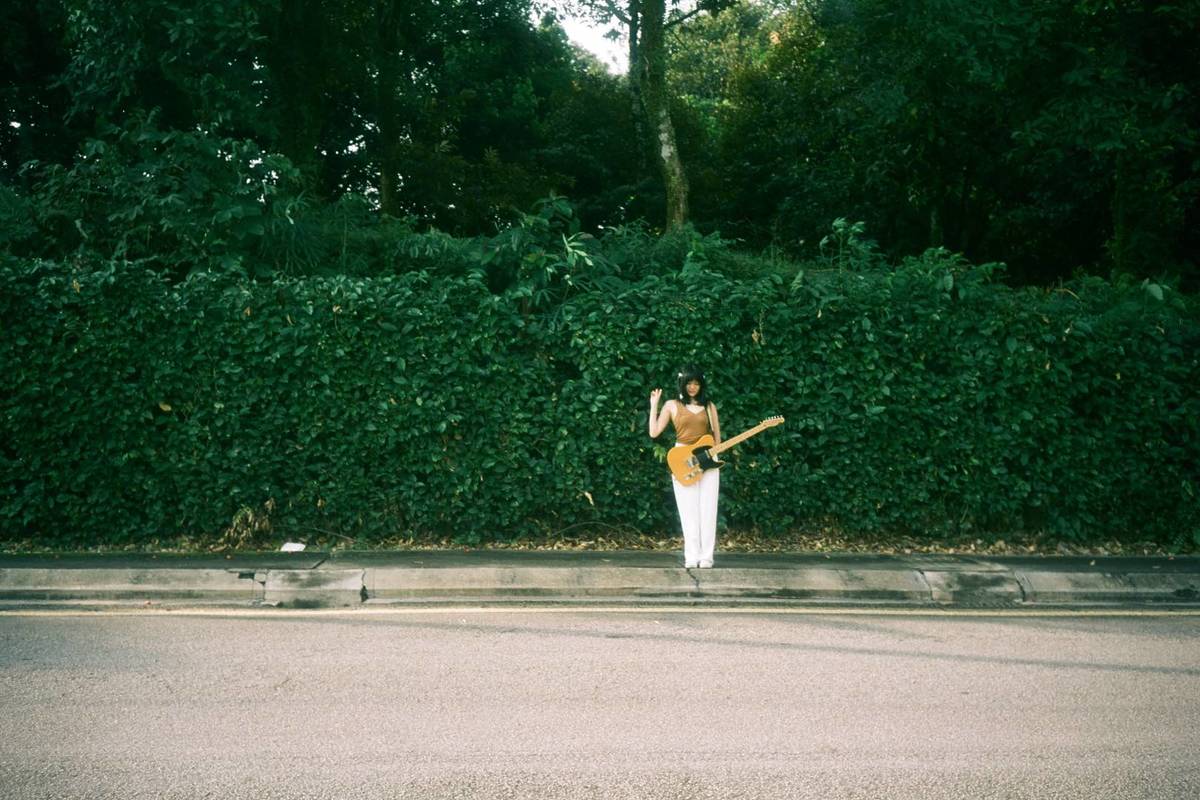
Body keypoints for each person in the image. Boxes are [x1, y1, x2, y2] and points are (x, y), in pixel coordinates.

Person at [648, 365, 722, 569]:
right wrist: (654, 405)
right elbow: (654, 432)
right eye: (689, 383)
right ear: (682, 383)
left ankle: (707, 556)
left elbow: (717, 437)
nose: (692, 387)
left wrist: (713, 456)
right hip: (682, 457)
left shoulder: (709, 406)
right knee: (688, 510)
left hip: (707, 458)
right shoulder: (672, 405)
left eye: (697, 383)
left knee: (708, 509)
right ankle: (692, 555)